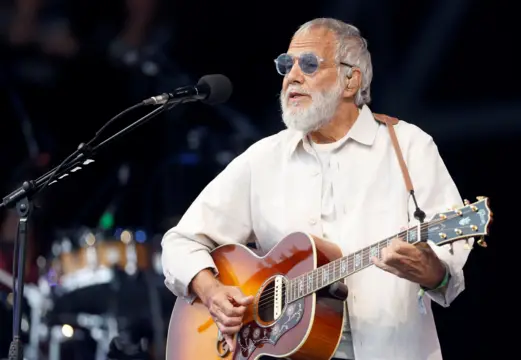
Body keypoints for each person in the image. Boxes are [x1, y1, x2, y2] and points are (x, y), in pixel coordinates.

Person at [161, 18, 471, 360]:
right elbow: (180, 242)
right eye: (285, 65)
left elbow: (448, 269)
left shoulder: (409, 147)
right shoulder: (264, 159)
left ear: (350, 80)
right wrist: (212, 292)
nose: (291, 76)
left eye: (308, 64)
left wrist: (433, 272)